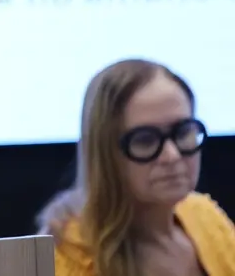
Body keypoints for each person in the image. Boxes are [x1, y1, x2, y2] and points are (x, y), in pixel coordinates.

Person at [36, 58, 235, 276]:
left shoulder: (204, 216)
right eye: (145, 139)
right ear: (105, 153)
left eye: (182, 131)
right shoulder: (70, 255)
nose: (172, 155)